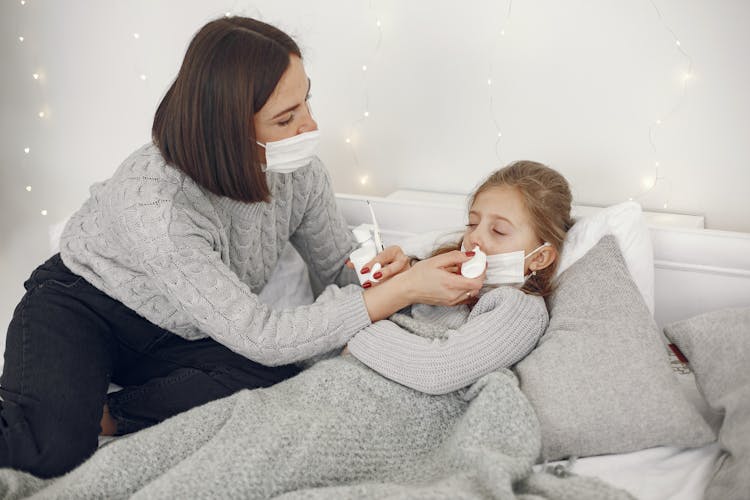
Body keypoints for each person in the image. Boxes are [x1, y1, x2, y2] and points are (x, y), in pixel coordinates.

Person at [0, 16, 483, 479]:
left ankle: (113, 414)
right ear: (226, 129)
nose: (310, 127)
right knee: (51, 450)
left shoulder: (302, 176)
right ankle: (64, 410)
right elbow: (262, 334)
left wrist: (387, 274)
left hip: (181, 329)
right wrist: (397, 296)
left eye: (307, 103)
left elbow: (338, 274)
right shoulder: (156, 201)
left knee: (286, 373)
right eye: (286, 118)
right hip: (85, 306)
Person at [0, 161, 580, 499]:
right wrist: (380, 286)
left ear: (537, 259)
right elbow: (342, 303)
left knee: (237, 452)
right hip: (306, 378)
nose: (477, 238)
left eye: (500, 231)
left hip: (353, 400)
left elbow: (438, 369)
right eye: (473, 221)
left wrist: (365, 317)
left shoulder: (517, 309)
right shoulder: (439, 264)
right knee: (217, 424)